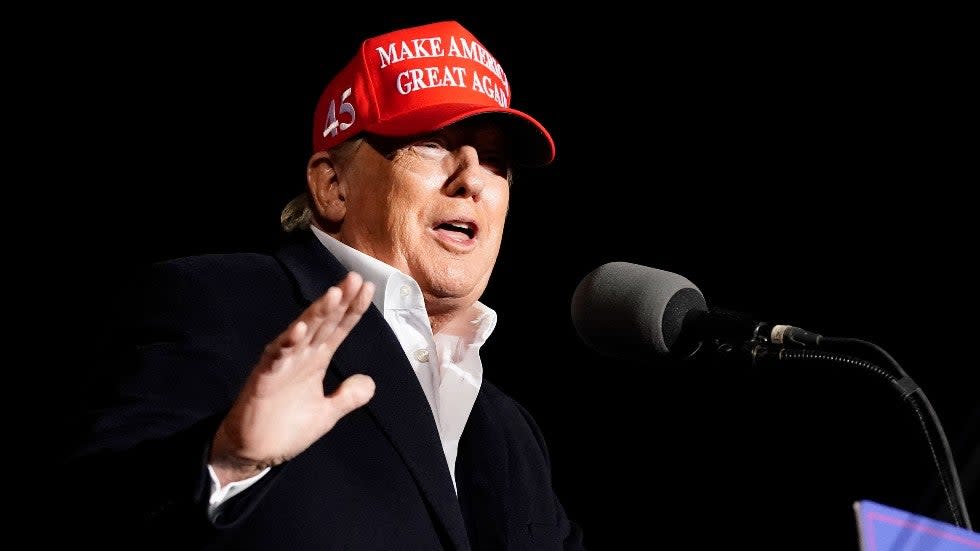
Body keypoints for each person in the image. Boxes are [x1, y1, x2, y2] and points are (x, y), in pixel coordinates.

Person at [60, 19, 585, 550]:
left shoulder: (511, 432)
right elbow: (87, 511)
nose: (471, 179)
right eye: (430, 144)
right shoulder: (218, 303)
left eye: (494, 162)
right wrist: (226, 462)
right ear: (332, 185)